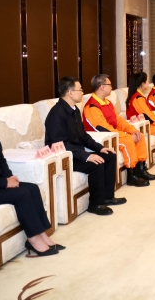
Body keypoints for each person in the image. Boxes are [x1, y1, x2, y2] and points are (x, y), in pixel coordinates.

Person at [0, 85, 62, 255]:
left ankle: (43, 235)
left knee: (32, 188)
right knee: (22, 194)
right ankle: (33, 240)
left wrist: (10, 177)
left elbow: (1, 159)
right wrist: (4, 182)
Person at [45, 77, 125, 216]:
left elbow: (83, 136)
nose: (83, 92)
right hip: (65, 157)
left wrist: (100, 148)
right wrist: (87, 156)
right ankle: (95, 204)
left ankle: (108, 197)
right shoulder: (56, 114)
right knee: (96, 163)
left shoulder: (74, 110)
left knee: (109, 155)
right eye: (80, 89)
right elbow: (61, 145)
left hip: (77, 152)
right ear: (70, 93)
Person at [82, 74, 155, 188]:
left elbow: (118, 120)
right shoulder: (92, 106)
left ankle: (141, 169)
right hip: (103, 139)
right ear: (102, 87)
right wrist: (125, 135)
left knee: (139, 135)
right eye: (110, 85)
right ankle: (131, 174)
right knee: (128, 141)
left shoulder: (108, 102)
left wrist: (132, 130)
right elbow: (103, 128)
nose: (112, 87)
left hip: (114, 134)